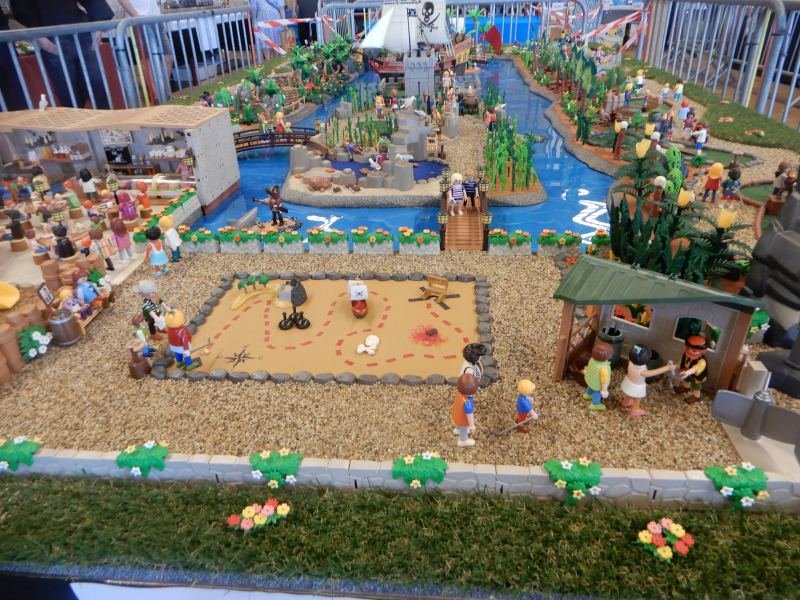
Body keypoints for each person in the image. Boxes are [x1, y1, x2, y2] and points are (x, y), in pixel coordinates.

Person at [10, 0, 113, 109]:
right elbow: (22, 8)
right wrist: (38, 35)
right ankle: (78, 119)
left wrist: (98, 27)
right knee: (68, 91)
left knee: (97, 86)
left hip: (79, 30)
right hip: (49, 33)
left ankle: (105, 118)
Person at [117, 0, 175, 83]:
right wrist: (136, 16)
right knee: (148, 60)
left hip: (155, 17)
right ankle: (157, 90)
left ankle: (163, 89)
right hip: (140, 19)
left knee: (168, 57)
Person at [620, 346, 675, 417]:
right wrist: (667, 368)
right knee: (637, 398)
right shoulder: (642, 371)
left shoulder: (631, 362)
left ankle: (625, 402)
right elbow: (655, 372)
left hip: (629, 381)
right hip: (637, 386)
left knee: (629, 392)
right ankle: (635, 410)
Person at [676, 335, 709, 404]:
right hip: (686, 372)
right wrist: (677, 366)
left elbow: (695, 368)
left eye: (694, 351)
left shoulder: (702, 361)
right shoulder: (685, 355)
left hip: (697, 377)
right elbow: (681, 361)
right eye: (688, 348)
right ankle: (685, 387)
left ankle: (696, 396)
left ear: (702, 351)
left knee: (696, 386)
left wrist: (688, 372)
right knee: (686, 380)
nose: (690, 351)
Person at [583, 341, 613, 411]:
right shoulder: (604, 368)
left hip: (590, 379)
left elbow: (589, 368)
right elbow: (604, 381)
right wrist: (604, 390)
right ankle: (595, 404)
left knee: (591, 387)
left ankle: (587, 395)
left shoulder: (592, 360)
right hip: (597, 385)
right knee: (597, 393)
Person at [451, 373, 479, 447]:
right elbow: (469, 415)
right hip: (462, 420)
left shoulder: (459, 394)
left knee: (458, 424)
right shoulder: (467, 403)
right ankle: (463, 440)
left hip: (455, 414)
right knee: (464, 428)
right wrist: (471, 425)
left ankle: (457, 430)